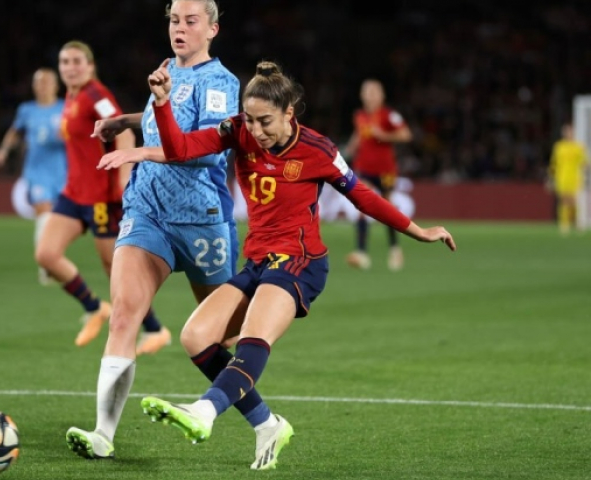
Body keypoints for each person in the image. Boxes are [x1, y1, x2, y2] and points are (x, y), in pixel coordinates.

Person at [98, 60, 456, 470]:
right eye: (250, 120)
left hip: (301, 262)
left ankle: (204, 411)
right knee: (196, 337)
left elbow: (363, 196)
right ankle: (267, 424)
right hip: (258, 261)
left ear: (289, 112)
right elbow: (180, 150)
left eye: (265, 121)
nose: (256, 130)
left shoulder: (318, 150)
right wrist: (162, 103)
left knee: (253, 336)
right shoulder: (237, 131)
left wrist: (418, 231)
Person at [64, 0, 246, 461]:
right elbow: (160, 123)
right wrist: (125, 122)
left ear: (212, 29)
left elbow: (207, 150)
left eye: (190, 21)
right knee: (124, 315)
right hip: (148, 213)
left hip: (202, 220)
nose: (179, 28)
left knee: (223, 337)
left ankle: (263, 419)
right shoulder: (167, 69)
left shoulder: (221, 83)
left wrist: (139, 152)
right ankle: (103, 434)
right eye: (174, 20)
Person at [33, 41, 168, 349]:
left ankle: (155, 329)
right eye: (65, 62)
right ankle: (95, 307)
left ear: (90, 66)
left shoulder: (96, 95)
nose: (70, 67)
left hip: (101, 198)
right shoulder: (72, 96)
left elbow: (125, 132)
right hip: (73, 194)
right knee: (46, 255)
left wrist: (123, 180)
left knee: (114, 269)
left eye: (76, 61)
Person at [0, 67, 68, 285]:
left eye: (46, 82)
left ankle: (52, 256)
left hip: (62, 169)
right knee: (44, 210)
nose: (42, 86)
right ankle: (46, 265)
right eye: (38, 82)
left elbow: (79, 134)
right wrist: (3, 151)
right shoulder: (26, 110)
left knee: (58, 217)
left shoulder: (65, 108)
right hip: (36, 170)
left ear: (56, 86)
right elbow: (14, 132)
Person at [341, 78, 413, 271]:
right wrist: (350, 149)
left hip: (385, 170)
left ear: (382, 96)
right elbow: (359, 134)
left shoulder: (389, 115)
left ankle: (395, 249)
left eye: (374, 92)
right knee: (362, 206)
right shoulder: (360, 116)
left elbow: (406, 134)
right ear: (362, 95)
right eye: (367, 92)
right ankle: (361, 253)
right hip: (364, 168)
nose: (370, 96)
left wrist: (384, 135)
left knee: (387, 208)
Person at [547, 121, 588, 235]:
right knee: (564, 200)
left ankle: (577, 222)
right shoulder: (559, 147)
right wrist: (550, 178)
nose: (568, 133)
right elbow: (553, 163)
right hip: (561, 177)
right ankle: (564, 224)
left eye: (570, 131)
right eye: (566, 131)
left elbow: (585, 162)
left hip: (574, 177)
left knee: (573, 200)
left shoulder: (578, 147)